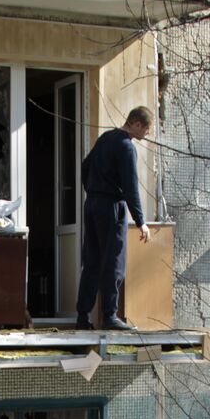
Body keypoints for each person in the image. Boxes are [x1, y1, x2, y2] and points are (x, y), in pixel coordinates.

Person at [75, 105, 153, 330]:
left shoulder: (105, 138)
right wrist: (141, 221)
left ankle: (83, 317)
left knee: (92, 261)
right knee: (113, 261)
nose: (147, 134)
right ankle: (110, 315)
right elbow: (130, 186)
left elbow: (85, 166)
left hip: (92, 204)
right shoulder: (126, 147)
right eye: (147, 129)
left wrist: (91, 190)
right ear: (136, 124)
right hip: (111, 206)